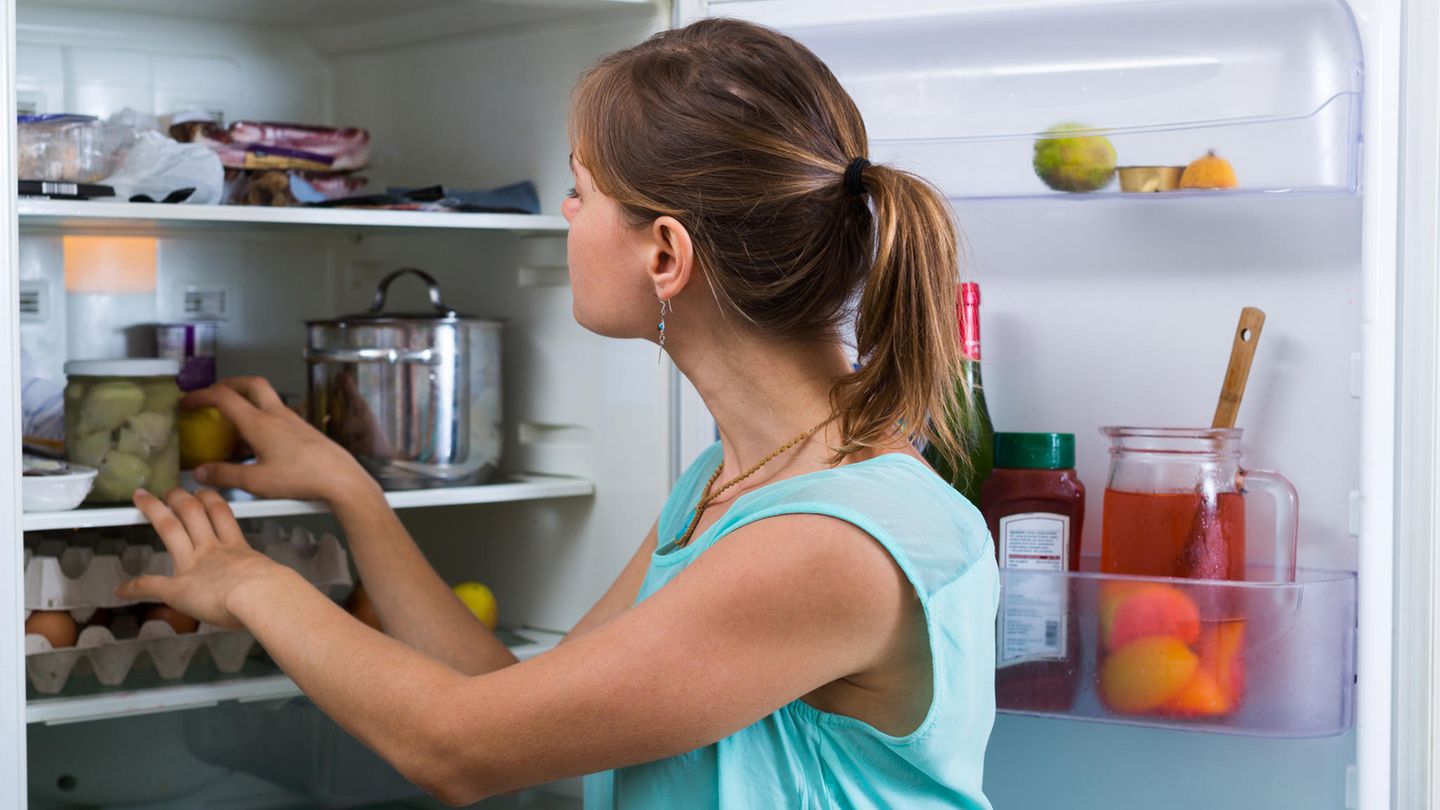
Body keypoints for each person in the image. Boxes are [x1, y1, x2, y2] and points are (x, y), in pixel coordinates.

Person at [119, 18, 998, 809]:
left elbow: (455, 746)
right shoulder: (738, 480)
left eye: (581, 190)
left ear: (665, 254)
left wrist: (253, 585)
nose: (565, 215)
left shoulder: (831, 543)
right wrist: (355, 496)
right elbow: (509, 701)